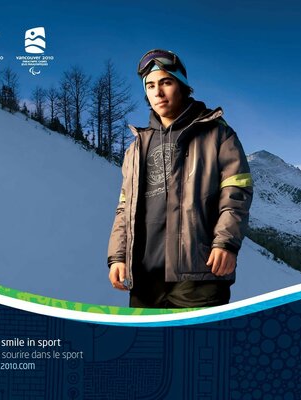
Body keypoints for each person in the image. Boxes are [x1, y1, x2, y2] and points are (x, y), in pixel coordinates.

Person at [107, 49, 253, 308]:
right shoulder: (136, 148)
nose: (158, 93)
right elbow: (124, 209)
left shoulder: (218, 135)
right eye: (150, 85)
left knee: (196, 347)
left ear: (183, 85)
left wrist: (226, 242)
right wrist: (118, 256)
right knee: (148, 348)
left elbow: (236, 193)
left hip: (199, 274)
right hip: (145, 278)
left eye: (166, 82)